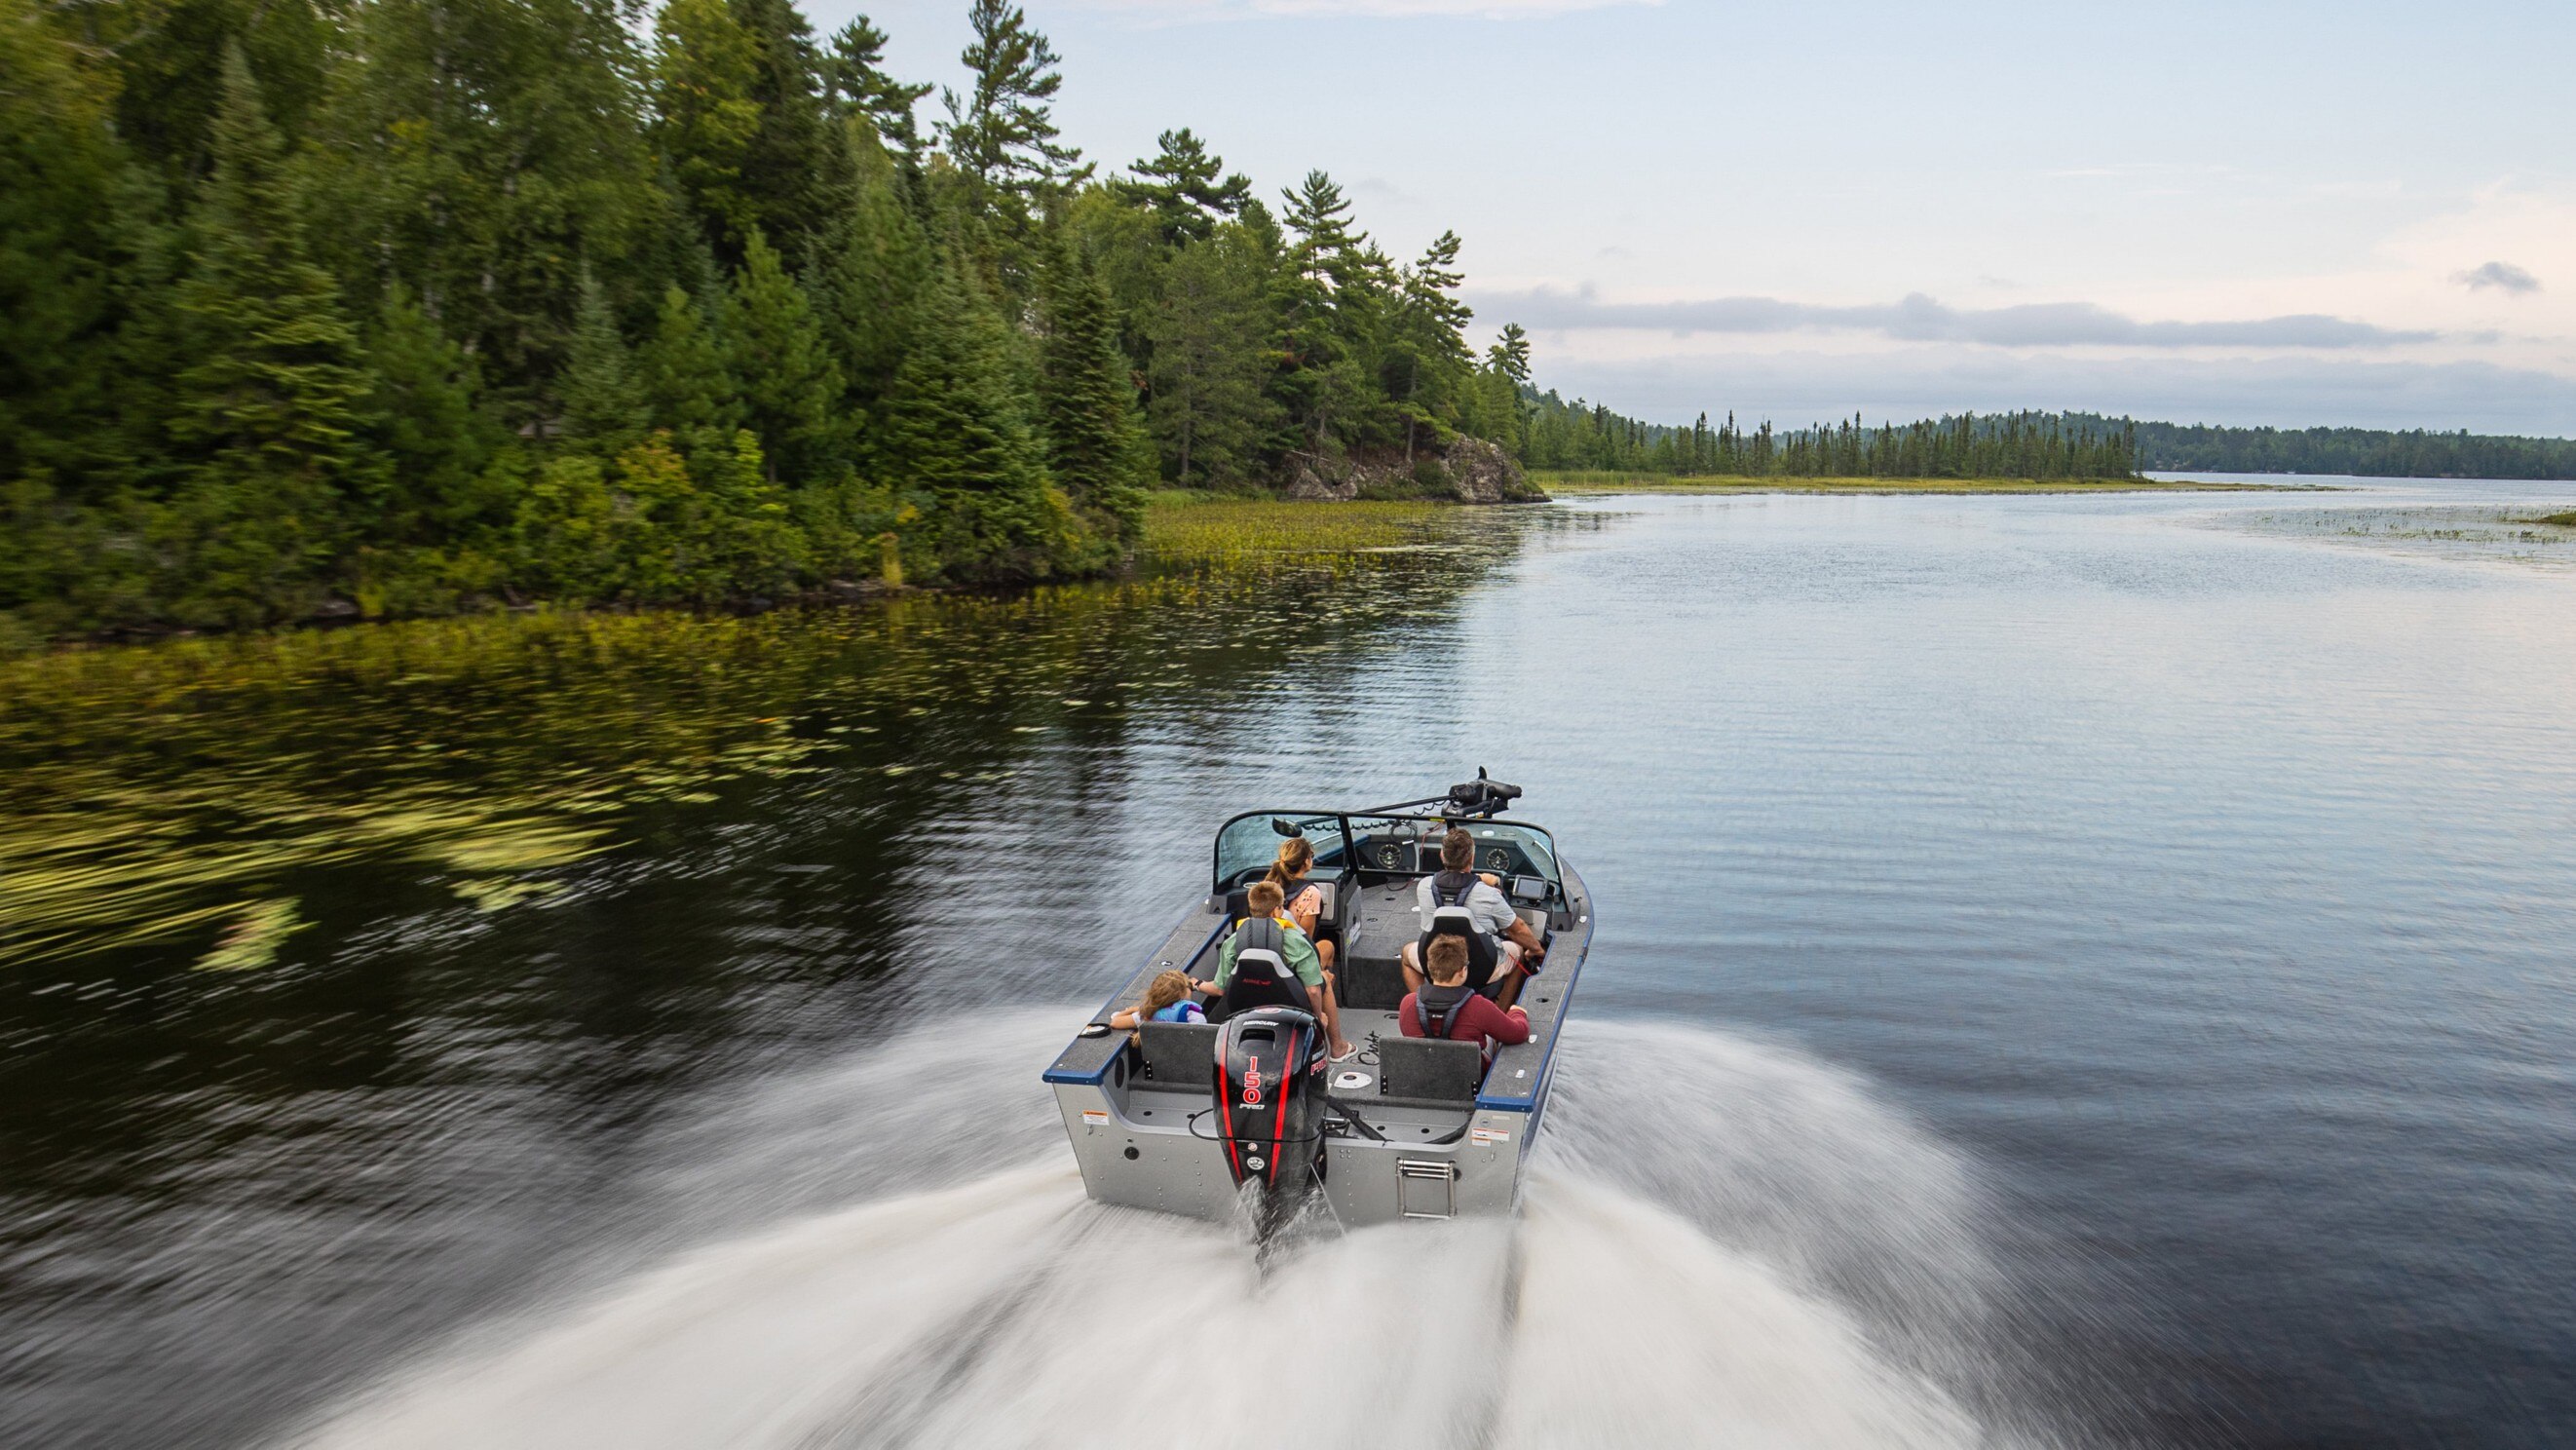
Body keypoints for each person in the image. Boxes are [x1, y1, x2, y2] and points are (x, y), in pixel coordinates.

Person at [1207, 879, 1356, 1060]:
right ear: (1277, 910)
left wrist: (1195, 984)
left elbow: (1219, 987)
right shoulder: (1295, 940)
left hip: (1247, 1005)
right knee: (1323, 978)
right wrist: (1317, 1019)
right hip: (1291, 1005)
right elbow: (1313, 989)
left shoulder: (1232, 942)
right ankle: (1338, 1048)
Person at [1399, 827, 1546, 1008]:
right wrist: (1537, 950)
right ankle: (1499, 1017)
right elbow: (1518, 929)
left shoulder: (1423, 887)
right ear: (1471, 859)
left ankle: (1424, 1007)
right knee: (1517, 951)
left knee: (1407, 954)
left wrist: (1478, 879)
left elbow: (1453, 882)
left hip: (1435, 964)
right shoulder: (1490, 894)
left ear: (1442, 856)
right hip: (1481, 970)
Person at [1398, 935, 1532, 1063]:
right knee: (1491, 1038)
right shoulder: (1479, 1006)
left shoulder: (1408, 1003)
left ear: (1429, 967)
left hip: (1421, 1072)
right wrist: (1516, 1012)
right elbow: (1518, 1033)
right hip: (1471, 1077)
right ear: (1462, 971)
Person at [1265, 836, 1335, 975]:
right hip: (1293, 960)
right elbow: (1305, 941)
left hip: (1267, 953)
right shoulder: (1311, 893)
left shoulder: (1268, 886)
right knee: (1328, 946)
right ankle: (1322, 984)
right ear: (1305, 862)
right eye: (1311, 856)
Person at [1109, 969, 1206, 1034]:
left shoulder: (1148, 1015)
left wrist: (1133, 1010)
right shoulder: (1194, 1016)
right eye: (1189, 986)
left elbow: (1115, 1021)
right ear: (1181, 993)